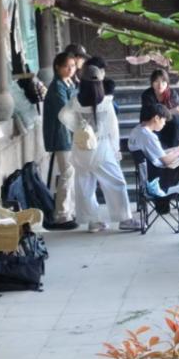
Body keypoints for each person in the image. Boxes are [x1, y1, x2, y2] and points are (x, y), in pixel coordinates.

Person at [59, 60, 140, 234]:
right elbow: (113, 129)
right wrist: (116, 150)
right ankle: (124, 219)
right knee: (116, 183)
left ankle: (93, 222)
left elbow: (62, 115)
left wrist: (78, 128)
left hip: (80, 148)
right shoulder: (106, 102)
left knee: (85, 187)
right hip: (101, 149)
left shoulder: (76, 101)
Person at [128, 103, 179, 214]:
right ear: (156, 118)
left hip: (150, 174)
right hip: (160, 178)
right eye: (164, 120)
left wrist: (177, 149)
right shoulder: (149, 136)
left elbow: (157, 154)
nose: (164, 124)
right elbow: (165, 161)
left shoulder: (137, 130)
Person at [43, 52, 78, 230]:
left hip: (69, 133)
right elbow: (66, 110)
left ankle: (69, 211)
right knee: (67, 173)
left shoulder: (68, 83)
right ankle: (62, 215)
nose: (70, 69)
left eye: (73, 66)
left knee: (71, 173)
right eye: (66, 66)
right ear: (57, 67)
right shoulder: (57, 86)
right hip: (61, 134)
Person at [141, 70, 179, 148]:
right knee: (155, 121)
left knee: (176, 119)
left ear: (167, 83)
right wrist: (171, 111)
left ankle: (174, 147)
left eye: (163, 82)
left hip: (170, 125)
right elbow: (152, 114)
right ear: (152, 82)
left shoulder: (172, 93)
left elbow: (178, 109)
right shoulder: (147, 95)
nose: (160, 85)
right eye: (156, 82)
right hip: (153, 123)